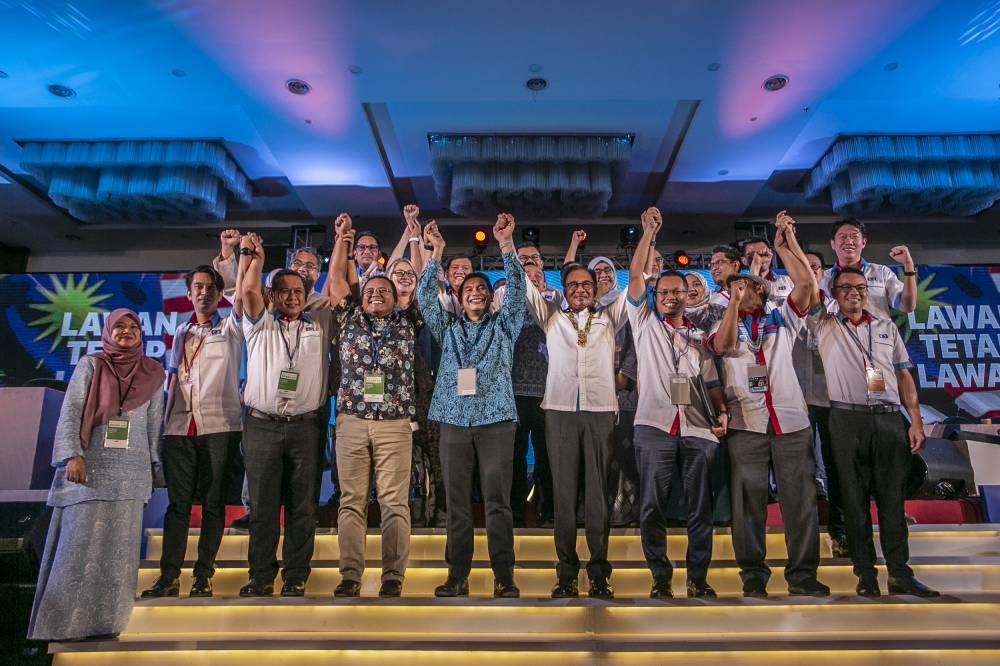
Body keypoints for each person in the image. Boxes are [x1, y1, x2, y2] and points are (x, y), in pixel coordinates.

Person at [707, 211, 829, 598]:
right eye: (736, 287)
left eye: (750, 287)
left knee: (800, 502)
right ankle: (754, 576)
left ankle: (803, 576)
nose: (744, 292)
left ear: (762, 289)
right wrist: (732, 304)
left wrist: (786, 243)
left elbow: (807, 284)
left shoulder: (782, 317)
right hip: (747, 424)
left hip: (791, 422)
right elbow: (724, 346)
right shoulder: (721, 321)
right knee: (748, 506)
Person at [28, 309, 164, 641]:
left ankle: (107, 624)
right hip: (88, 468)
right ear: (107, 331)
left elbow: (153, 425)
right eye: (120, 326)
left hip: (131, 474)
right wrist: (72, 455)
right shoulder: (92, 364)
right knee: (78, 549)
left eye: (133, 327)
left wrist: (154, 470)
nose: (127, 332)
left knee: (119, 554)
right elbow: (72, 409)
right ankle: (65, 626)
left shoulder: (153, 372)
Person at [804, 265, 938, 597]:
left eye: (861, 287)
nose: (855, 292)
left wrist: (916, 419)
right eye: (846, 287)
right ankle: (865, 574)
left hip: (889, 418)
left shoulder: (885, 326)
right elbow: (808, 287)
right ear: (834, 293)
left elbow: (904, 374)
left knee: (892, 499)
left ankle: (899, 573)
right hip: (846, 420)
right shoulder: (823, 323)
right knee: (853, 500)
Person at [417, 214, 525, 599]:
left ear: (489, 297)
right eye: (468, 289)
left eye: (481, 288)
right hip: (453, 423)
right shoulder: (447, 329)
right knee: (457, 504)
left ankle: (504, 577)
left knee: (498, 503)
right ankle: (457, 576)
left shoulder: (505, 326)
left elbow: (516, 288)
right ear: (460, 299)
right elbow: (424, 296)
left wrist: (506, 245)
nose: (475, 292)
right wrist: (437, 254)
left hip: (496, 422)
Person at [627, 208, 729, 598]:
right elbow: (636, 275)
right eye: (664, 292)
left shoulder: (701, 334)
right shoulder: (645, 323)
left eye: (677, 292)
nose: (670, 297)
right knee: (652, 506)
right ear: (656, 296)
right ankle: (660, 577)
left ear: (688, 295)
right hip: (654, 425)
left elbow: (711, 379)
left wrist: (721, 410)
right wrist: (648, 233)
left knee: (699, 509)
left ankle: (697, 578)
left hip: (698, 428)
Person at [326, 215, 421, 598]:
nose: (377, 295)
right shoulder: (348, 317)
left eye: (384, 290)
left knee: (394, 502)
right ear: (361, 296)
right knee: (351, 501)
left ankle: (393, 576)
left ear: (396, 296)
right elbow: (335, 279)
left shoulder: (410, 320)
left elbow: (415, 275)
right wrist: (342, 241)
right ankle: (350, 574)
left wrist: (414, 235)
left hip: (395, 423)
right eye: (370, 291)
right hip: (350, 421)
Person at [526, 243, 628, 600]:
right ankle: (566, 573)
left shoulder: (610, 317)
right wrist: (507, 243)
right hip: (559, 411)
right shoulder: (552, 317)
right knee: (565, 495)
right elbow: (523, 283)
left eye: (587, 284)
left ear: (596, 288)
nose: (581, 289)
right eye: (574, 285)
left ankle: (599, 573)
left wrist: (647, 236)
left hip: (600, 412)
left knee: (598, 495)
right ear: (564, 290)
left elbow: (638, 289)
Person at [237, 232, 334, 597]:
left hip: (306, 428)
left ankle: (295, 576)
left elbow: (337, 287)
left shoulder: (319, 323)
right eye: (285, 292)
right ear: (273, 296)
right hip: (262, 426)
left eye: (299, 291)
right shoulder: (258, 324)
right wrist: (255, 257)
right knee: (263, 508)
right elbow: (248, 292)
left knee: (302, 508)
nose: (293, 297)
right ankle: (261, 576)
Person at [141, 265, 243, 599]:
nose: (204, 292)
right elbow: (173, 380)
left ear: (218, 292)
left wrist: (230, 260)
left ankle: (203, 575)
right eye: (197, 287)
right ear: (188, 294)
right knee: (177, 506)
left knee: (213, 503)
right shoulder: (181, 333)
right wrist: (163, 428)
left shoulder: (230, 327)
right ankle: (168, 576)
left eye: (211, 287)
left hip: (219, 425)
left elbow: (241, 300)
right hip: (179, 429)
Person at [793, 248, 848, 558]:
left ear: (823, 272)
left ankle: (840, 531)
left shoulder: (838, 306)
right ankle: (804, 538)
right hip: (796, 400)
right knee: (799, 472)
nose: (808, 271)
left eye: (813, 266)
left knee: (838, 466)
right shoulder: (784, 305)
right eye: (802, 266)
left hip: (834, 399)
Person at [213, 228, 330, 311]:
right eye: (297, 263)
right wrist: (227, 249)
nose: (302, 269)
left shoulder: (323, 304)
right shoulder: (269, 296)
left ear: (318, 274)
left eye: (309, 266)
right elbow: (236, 293)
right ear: (289, 268)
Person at [821, 218, 917, 318]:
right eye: (843, 236)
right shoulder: (822, 278)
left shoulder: (882, 273)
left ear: (864, 242)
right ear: (833, 244)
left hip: (877, 332)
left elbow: (907, 306)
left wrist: (908, 265)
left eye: (854, 236)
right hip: (836, 333)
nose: (849, 241)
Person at [743, 236, 794, 308]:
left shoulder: (788, 281)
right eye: (751, 255)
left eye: (763, 253)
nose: (758, 258)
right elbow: (748, 308)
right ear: (744, 261)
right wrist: (756, 265)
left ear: (771, 255)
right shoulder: (738, 286)